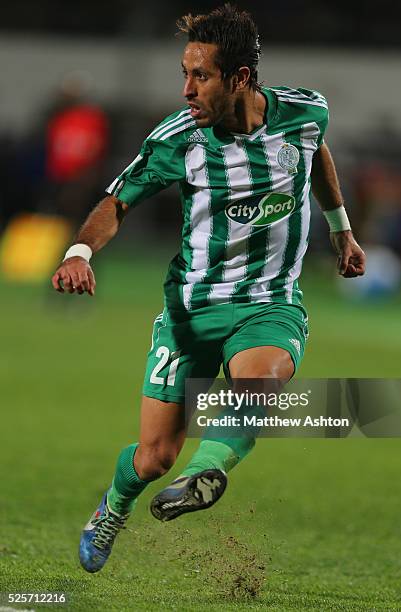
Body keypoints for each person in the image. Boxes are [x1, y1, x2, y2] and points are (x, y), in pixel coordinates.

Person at [51, 4, 365, 573]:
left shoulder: (304, 112)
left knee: (262, 384)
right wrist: (79, 252)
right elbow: (118, 202)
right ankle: (112, 508)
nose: (187, 89)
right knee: (153, 458)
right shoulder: (179, 139)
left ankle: (205, 473)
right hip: (190, 311)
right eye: (184, 73)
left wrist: (341, 230)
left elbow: (316, 152)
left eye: (201, 76)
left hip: (269, 303)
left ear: (240, 78)